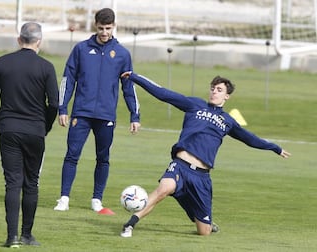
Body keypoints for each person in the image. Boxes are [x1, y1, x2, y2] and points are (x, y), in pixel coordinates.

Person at [119, 72, 291, 238]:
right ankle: (130, 224)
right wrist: (135, 77)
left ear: (227, 97)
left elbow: (250, 139)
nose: (214, 92)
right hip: (180, 165)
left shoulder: (228, 121)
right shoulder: (195, 105)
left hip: (201, 177)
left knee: (204, 232)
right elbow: (164, 94)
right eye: (213, 88)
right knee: (163, 189)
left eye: (219, 90)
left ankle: (192, 207)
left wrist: (275, 148)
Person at [54, 8, 141, 214]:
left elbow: (129, 87)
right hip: (81, 113)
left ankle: (96, 200)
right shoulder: (81, 49)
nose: (104, 32)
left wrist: (134, 115)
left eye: (108, 28)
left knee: (103, 158)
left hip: (106, 116)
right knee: (72, 155)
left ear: (114, 27)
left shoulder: (122, 54)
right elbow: (68, 80)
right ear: (95, 26)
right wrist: (62, 108)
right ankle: (64, 199)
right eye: (101, 28)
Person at [0, 22, 59, 247]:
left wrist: (2, 122)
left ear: (19, 40)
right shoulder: (46, 67)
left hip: (9, 129)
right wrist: (44, 127)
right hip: (35, 131)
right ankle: (27, 234)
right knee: (31, 183)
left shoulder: (2, 62)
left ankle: (12, 237)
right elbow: (54, 104)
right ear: (39, 41)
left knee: (12, 183)